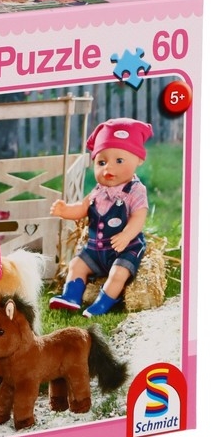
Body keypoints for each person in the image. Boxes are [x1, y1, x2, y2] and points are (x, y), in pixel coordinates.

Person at [49, 117, 153, 317]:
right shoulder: (98, 190)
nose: (108, 168)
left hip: (124, 249)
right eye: (101, 162)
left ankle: (103, 302)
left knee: (118, 273)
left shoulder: (135, 190)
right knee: (76, 264)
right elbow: (82, 208)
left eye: (119, 161)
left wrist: (126, 235)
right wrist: (65, 211)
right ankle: (71, 296)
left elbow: (138, 217)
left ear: (138, 160)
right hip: (96, 249)